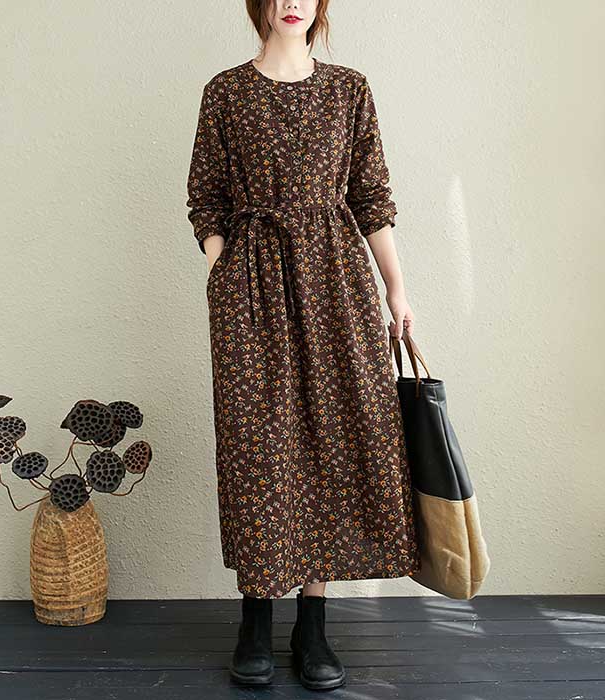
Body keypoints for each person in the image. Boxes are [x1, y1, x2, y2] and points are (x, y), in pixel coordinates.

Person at [185, 0, 420, 691]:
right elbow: (206, 196)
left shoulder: (349, 89)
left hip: (335, 282)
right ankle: (256, 618)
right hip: (251, 286)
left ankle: (312, 626)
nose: (292, 2)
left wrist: (397, 291)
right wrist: (224, 269)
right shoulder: (226, 92)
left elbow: (371, 197)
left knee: (331, 441)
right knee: (258, 447)